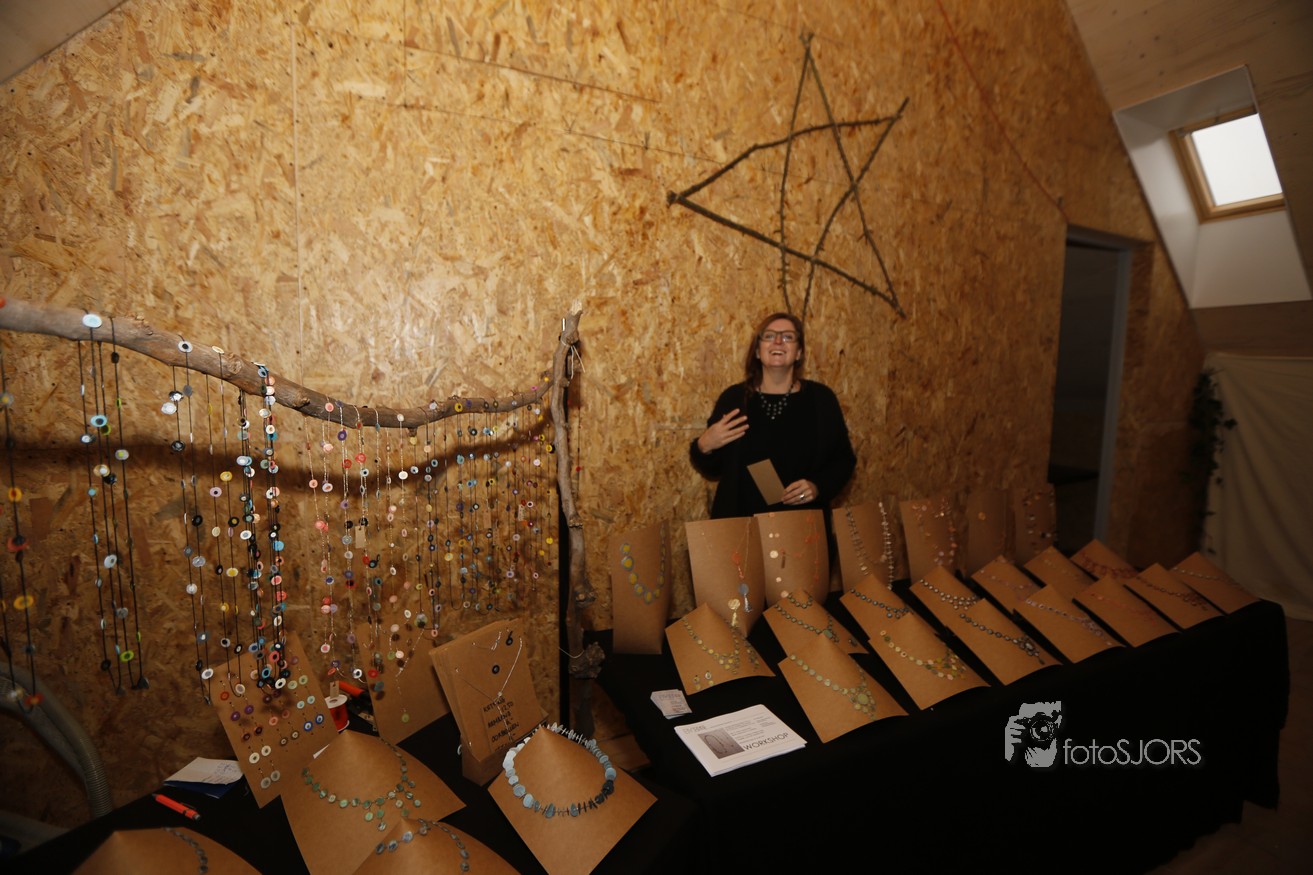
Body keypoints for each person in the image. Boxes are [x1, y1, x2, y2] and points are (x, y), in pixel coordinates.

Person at [690, 312, 856, 520]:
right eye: (769, 336)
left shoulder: (821, 399)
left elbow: (843, 461)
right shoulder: (734, 399)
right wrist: (704, 446)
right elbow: (713, 469)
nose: (778, 341)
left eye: (788, 337)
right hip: (740, 527)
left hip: (803, 526)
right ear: (757, 352)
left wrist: (817, 486)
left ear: (798, 353)